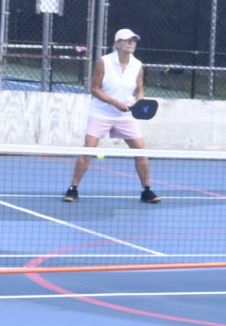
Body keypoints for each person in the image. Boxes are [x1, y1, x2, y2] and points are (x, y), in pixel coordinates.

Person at [66, 28, 160, 204]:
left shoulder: (137, 65)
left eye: (134, 40)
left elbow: (139, 90)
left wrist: (140, 103)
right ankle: (73, 188)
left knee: (141, 153)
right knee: (87, 150)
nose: (131, 43)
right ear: (117, 44)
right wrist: (115, 103)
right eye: (127, 40)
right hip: (101, 112)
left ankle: (147, 190)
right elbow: (94, 89)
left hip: (125, 116)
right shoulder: (104, 62)